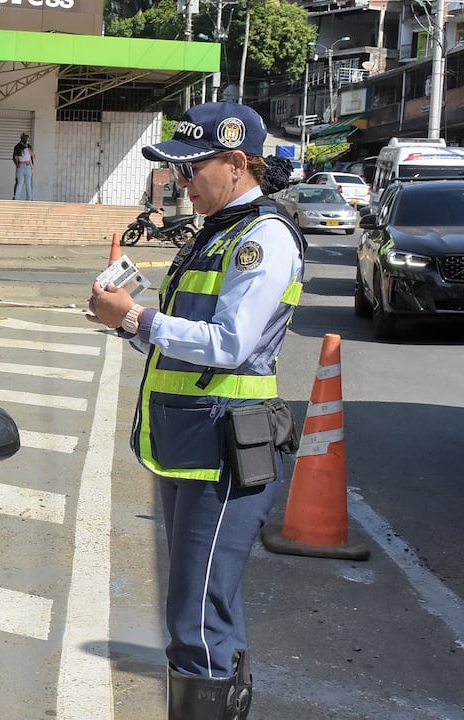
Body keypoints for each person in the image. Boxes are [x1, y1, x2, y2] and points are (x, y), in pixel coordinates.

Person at [84, 101, 306, 720]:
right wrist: (127, 320)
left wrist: (135, 317)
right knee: (206, 608)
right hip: (193, 443)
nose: (183, 184)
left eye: (192, 170)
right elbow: (183, 339)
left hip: (226, 451)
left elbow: (230, 345)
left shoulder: (262, 238)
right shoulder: (217, 232)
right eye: (177, 174)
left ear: (236, 164)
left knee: (196, 615)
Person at [12, 132, 35, 201]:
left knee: (24, 183)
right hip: (24, 165)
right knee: (23, 183)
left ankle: (24, 198)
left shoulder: (25, 146)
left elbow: (33, 156)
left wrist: (18, 165)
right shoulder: (19, 147)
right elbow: (15, 157)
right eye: (25, 138)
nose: (26, 139)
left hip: (25, 166)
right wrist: (17, 165)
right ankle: (20, 198)